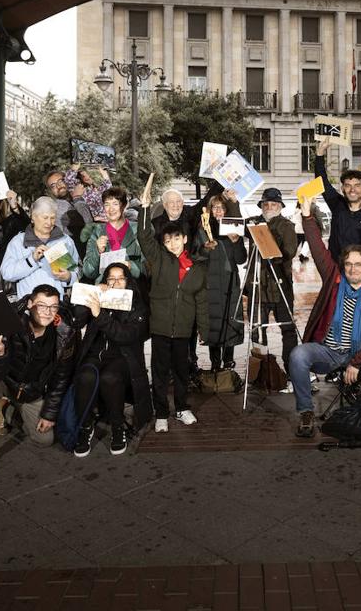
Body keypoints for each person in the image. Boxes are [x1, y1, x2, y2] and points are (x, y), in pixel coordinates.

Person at [290, 195, 361, 437]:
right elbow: (318, 248)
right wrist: (308, 216)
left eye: (359, 264)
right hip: (328, 353)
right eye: (349, 264)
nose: (353, 269)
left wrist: (357, 360)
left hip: (360, 352)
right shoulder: (334, 280)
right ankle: (306, 411)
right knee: (298, 355)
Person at [0, 285, 77, 476]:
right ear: (30, 304)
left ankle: (6, 410)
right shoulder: (9, 321)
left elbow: (61, 377)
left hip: (30, 388)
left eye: (53, 307)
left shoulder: (64, 332)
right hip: (3, 379)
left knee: (43, 440)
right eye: (42, 305)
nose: (47, 312)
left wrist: (49, 414)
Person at [138, 179, 208, 432]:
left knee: (181, 370)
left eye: (177, 239)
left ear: (185, 239)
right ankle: (161, 413)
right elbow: (144, 237)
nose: (173, 244)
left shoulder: (196, 266)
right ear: (164, 243)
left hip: (183, 330)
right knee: (159, 372)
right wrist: (145, 208)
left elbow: (200, 298)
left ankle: (182, 407)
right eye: (168, 241)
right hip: (160, 327)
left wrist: (203, 329)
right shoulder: (158, 259)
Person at [67, 263, 153, 457]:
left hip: (123, 356)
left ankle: (117, 426)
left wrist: (100, 315)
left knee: (110, 377)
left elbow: (126, 335)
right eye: (110, 278)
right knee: (85, 376)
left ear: (127, 281)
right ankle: (85, 426)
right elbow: (78, 320)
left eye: (120, 278)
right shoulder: (100, 297)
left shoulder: (137, 305)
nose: (115, 282)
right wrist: (91, 298)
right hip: (94, 354)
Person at [246, 188, 299, 374]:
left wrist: (268, 246)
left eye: (273, 204)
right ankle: (261, 372)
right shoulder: (252, 223)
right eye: (266, 204)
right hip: (258, 286)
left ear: (280, 206)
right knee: (257, 331)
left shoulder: (286, 225)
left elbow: (289, 251)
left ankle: (292, 370)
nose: (269, 207)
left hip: (280, 286)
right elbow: (232, 225)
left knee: (288, 329)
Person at [193, 190, 246, 370]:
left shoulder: (233, 229)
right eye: (215, 208)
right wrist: (206, 249)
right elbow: (195, 256)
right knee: (213, 322)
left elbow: (241, 259)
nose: (218, 211)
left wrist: (237, 241)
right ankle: (215, 363)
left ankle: (229, 361)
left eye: (222, 208)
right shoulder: (202, 229)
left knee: (230, 320)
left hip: (230, 283)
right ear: (209, 210)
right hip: (210, 284)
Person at [0, 196, 80, 300]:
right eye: (45, 217)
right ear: (33, 217)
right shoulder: (18, 241)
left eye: (53, 218)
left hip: (56, 305)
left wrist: (69, 277)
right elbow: (6, 273)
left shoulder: (65, 240)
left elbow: (77, 272)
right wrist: (31, 260)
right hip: (29, 305)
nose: (49, 223)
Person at [313, 139, 361, 259]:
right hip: (337, 268)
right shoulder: (337, 205)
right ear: (343, 188)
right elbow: (321, 182)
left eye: (357, 185)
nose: (352, 190)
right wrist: (320, 154)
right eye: (348, 186)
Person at [80, 187, 144, 283]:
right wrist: (97, 251)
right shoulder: (97, 232)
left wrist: (130, 266)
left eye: (115, 204)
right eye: (107, 205)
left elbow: (149, 268)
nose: (111, 209)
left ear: (124, 205)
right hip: (105, 288)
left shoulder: (138, 230)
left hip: (132, 287)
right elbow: (88, 272)